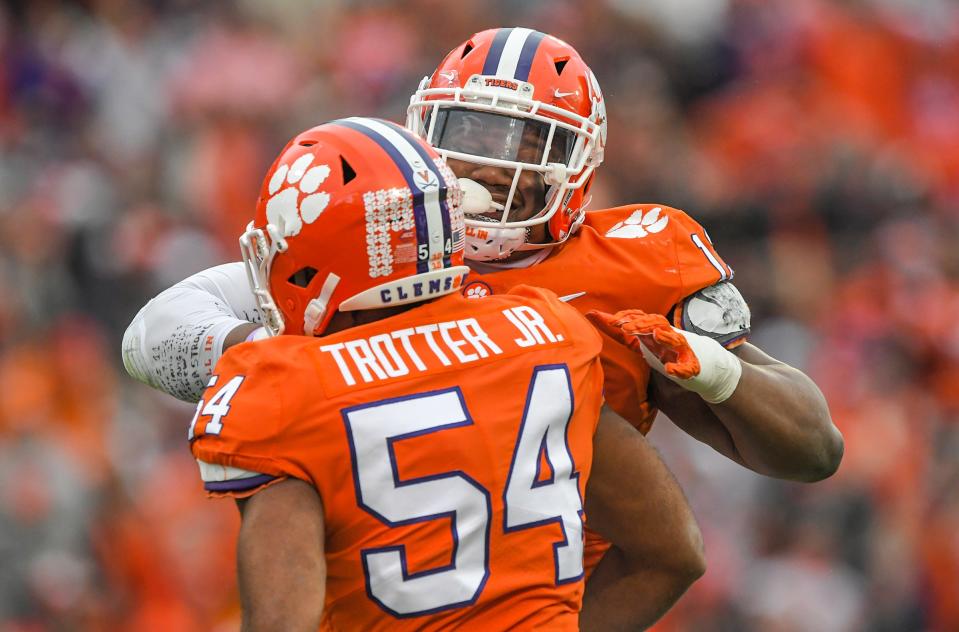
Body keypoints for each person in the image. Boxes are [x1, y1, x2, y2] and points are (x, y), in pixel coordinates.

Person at [123, 26, 840, 577]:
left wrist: (716, 374)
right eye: (463, 131)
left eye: (522, 138)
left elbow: (812, 451)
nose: (485, 163)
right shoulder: (384, 227)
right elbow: (151, 336)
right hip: (373, 586)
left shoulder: (637, 266)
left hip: (542, 591)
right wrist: (275, 357)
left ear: (579, 160)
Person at [188, 117, 703, 630]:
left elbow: (282, 623)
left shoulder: (279, 383)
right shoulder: (548, 331)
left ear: (312, 265)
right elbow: (673, 553)